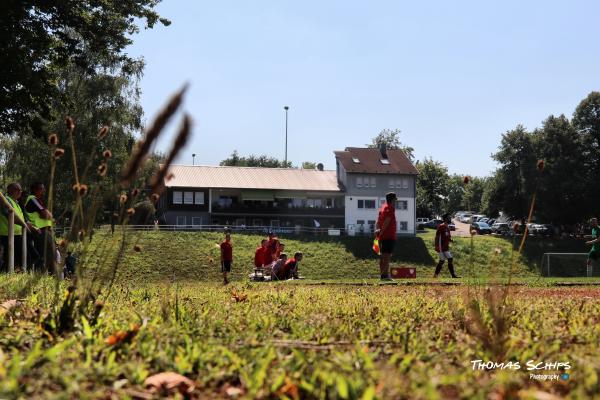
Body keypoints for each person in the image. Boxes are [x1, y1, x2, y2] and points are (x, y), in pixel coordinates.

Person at [0, 183, 39, 272]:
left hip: (17, 235)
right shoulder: (6, 200)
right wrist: (25, 225)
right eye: (19, 190)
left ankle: (19, 274)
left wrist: (28, 225)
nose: (21, 192)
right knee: (14, 260)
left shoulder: (16, 203)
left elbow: (21, 218)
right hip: (7, 235)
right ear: (14, 191)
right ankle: (17, 275)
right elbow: (10, 215)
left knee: (28, 257)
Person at [25, 182, 55, 274]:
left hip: (43, 231)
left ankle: (44, 275)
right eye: (41, 189)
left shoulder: (37, 200)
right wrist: (49, 214)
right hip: (40, 231)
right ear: (34, 190)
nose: (43, 191)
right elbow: (45, 215)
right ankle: (42, 275)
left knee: (49, 255)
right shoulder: (32, 199)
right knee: (49, 255)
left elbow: (47, 215)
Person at [375, 192, 397, 281]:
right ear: (392, 200)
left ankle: (382, 275)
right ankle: (385, 276)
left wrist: (377, 230)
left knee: (383, 256)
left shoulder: (383, 207)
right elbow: (387, 221)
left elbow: (377, 221)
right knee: (387, 256)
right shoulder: (390, 208)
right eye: (395, 200)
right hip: (388, 236)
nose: (395, 202)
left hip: (383, 236)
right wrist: (381, 232)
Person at [434, 213, 459, 278]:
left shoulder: (447, 227)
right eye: (448, 218)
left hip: (445, 247)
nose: (449, 219)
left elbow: (447, 236)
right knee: (442, 260)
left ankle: (453, 275)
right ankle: (435, 275)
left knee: (449, 259)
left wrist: (451, 240)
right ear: (445, 219)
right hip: (441, 247)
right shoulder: (441, 226)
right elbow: (437, 236)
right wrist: (437, 246)